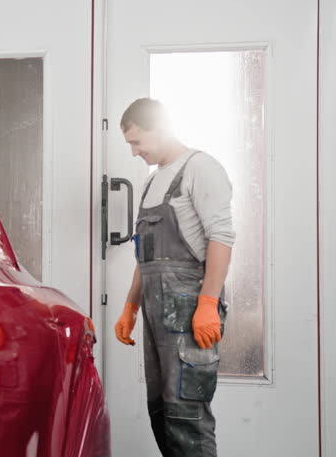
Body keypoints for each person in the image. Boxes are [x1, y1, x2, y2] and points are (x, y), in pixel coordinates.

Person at [113, 98, 234, 456]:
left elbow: (222, 238)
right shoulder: (152, 183)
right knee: (162, 411)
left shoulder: (200, 168)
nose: (135, 152)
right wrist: (130, 306)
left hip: (188, 312)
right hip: (155, 312)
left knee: (188, 417)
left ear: (160, 128)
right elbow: (145, 254)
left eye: (137, 142)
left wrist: (209, 303)